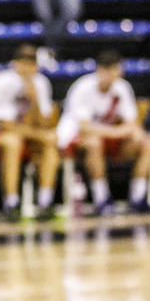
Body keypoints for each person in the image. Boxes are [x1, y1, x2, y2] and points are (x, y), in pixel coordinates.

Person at [0, 43, 59, 219]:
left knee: (50, 142)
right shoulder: (2, 80)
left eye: (31, 63)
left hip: (24, 134)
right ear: (15, 63)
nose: (27, 68)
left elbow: (45, 123)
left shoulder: (40, 82)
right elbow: (5, 125)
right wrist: (40, 135)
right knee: (13, 141)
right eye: (23, 63)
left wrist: (34, 100)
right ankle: (11, 203)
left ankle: (45, 202)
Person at [56, 49, 146, 215]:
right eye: (110, 70)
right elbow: (85, 127)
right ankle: (101, 198)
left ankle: (138, 196)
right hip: (74, 137)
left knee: (145, 141)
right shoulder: (83, 87)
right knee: (93, 142)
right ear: (100, 70)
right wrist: (118, 132)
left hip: (108, 136)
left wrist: (119, 132)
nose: (115, 75)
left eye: (117, 70)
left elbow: (133, 124)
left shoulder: (122, 88)